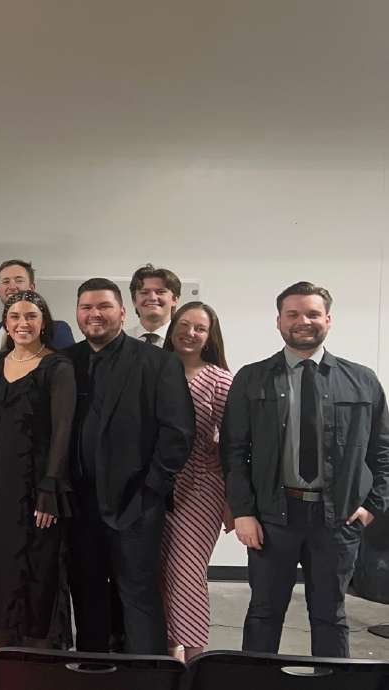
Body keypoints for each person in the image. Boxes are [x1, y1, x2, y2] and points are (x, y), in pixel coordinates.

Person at [223, 282, 389, 658]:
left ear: (328, 319)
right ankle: (256, 683)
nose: (304, 322)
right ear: (278, 321)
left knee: (330, 615)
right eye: (293, 314)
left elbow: (383, 449)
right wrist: (244, 512)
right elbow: (234, 452)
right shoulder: (251, 378)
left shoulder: (362, 380)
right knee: (264, 613)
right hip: (272, 516)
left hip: (338, 519)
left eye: (313, 314)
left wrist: (372, 506)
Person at [67, 278, 193, 655]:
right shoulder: (64, 361)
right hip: (78, 503)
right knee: (86, 593)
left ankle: (147, 676)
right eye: (86, 307)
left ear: (123, 312)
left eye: (103, 306)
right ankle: (91, 671)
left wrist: (150, 490)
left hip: (134, 501)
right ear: (76, 314)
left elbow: (178, 433)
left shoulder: (157, 361)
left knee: (138, 595)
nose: (94, 314)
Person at [0, 291, 74, 651]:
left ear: (44, 322)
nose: (23, 323)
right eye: (15, 316)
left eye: (31, 316)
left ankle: (38, 661)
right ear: (6, 323)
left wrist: (50, 489)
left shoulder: (57, 367)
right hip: (2, 485)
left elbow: (63, 430)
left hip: (39, 486)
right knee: (1, 567)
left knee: (40, 569)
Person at [159, 302, 234, 662]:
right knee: (156, 573)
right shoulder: (154, 370)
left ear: (209, 336)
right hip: (154, 487)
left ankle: (192, 659)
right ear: (172, 327)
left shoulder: (219, 379)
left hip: (201, 485)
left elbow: (235, 442)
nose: (190, 333)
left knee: (186, 573)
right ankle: (166, 653)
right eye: (184, 325)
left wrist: (234, 501)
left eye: (200, 328)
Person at [0, 260, 74, 359]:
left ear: (31, 287)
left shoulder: (58, 329)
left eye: (19, 280)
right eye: (6, 281)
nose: (12, 287)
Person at [127, 264, 181, 347]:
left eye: (160, 292)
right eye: (144, 292)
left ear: (174, 299)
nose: (152, 298)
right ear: (134, 300)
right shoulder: (120, 342)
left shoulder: (185, 342)